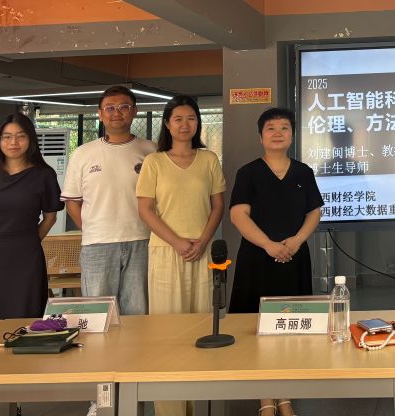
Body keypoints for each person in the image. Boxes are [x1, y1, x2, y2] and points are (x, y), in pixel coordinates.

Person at [229, 107, 323, 416]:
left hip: (294, 258)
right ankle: (265, 398)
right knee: (258, 330)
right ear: (260, 137)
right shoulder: (248, 173)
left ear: (292, 135)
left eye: (284, 128)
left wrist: (297, 240)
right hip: (258, 260)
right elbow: (238, 215)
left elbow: (314, 212)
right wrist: (269, 245)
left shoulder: (303, 172)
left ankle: (285, 396)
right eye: (271, 128)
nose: (278, 133)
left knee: (292, 327)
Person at [137, 94, 226, 416]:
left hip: (201, 252)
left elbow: (218, 205)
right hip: (166, 252)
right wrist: (176, 242)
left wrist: (203, 241)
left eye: (191, 118)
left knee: (203, 326)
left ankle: (201, 406)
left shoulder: (209, 159)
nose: (185, 124)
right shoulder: (154, 162)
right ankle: (171, 409)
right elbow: (145, 210)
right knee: (167, 333)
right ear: (167, 124)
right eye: (178, 119)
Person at [0, 114, 63, 319]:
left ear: (30, 139)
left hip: (26, 257)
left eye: (20, 136)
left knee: (23, 313)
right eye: (7, 137)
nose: (13, 142)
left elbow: (50, 217)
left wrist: (28, 241)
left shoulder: (44, 175)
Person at [61, 85, 155, 315]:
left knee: (138, 311)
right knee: (97, 313)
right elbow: (72, 202)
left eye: (124, 107)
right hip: (97, 244)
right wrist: (92, 229)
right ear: (100, 114)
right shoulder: (82, 153)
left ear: (135, 111)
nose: (117, 112)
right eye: (110, 108)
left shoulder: (151, 150)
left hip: (142, 240)